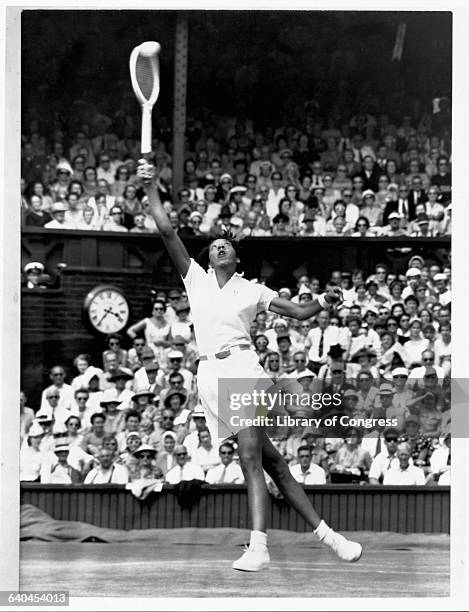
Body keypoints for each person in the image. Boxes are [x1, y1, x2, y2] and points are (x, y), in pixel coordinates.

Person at [138, 159, 362, 572]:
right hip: (208, 376)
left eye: (227, 245)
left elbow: (299, 312)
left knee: (247, 457)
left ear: (237, 259)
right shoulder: (196, 277)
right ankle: (332, 538)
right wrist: (151, 188)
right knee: (272, 461)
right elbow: (166, 230)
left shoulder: (252, 289)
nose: (219, 245)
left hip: (242, 368)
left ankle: (259, 545)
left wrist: (325, 301)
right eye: (214, 245)